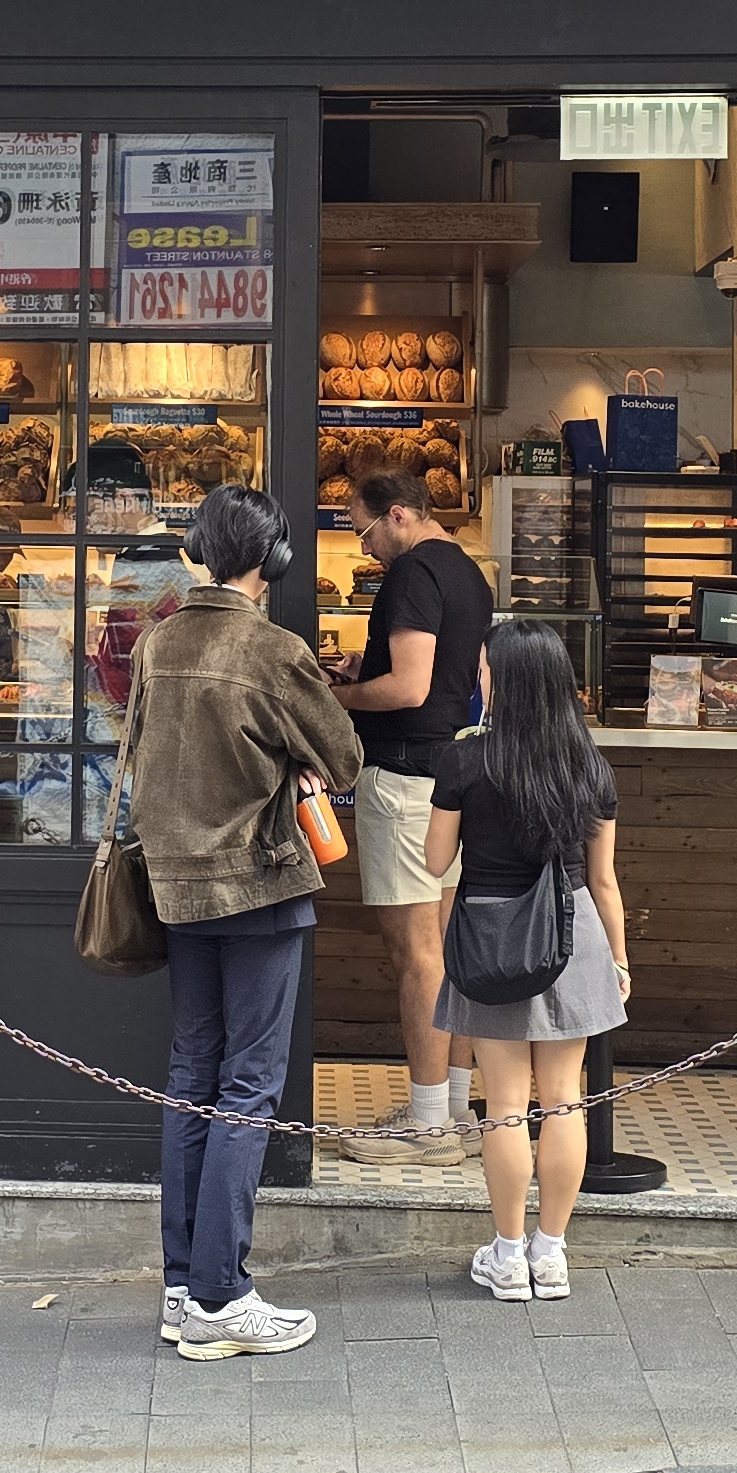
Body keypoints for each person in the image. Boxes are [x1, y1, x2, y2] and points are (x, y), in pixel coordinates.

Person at [126, 481, 364, 1361]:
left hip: (177, 887)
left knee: (192, 1075)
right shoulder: (273, 648)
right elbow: (344, 755)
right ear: (275, 558)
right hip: (260, 887)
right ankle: (222, 1297)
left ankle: (183, 1286)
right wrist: (296, 764)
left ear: (198, 550)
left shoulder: (157, 642)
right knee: (250, 1086)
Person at [426, 617, 633, 1305]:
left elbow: (435, 860)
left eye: (485, 669)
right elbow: (604, 880)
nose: (479, 678)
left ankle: (509, 1257)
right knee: (565, 1097)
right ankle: (552, 1254)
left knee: (507, 1104)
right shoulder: (589, 765)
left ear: (504, 681)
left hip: (491, 939)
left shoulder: (465, 761)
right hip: (574, 933)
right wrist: (619, 960)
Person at [334, 467, 496, 1162]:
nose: (365, 547)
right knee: (449, 949)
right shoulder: (469, 571)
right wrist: (364, 668)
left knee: (416, 953)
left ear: (398, 514)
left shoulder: (410, 574)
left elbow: (408, 686)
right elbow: (476, 680)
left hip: (404, 780)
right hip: (454, 774)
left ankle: (426, 1127)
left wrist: (337, 697)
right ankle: (452, 1111)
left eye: (365, 531)